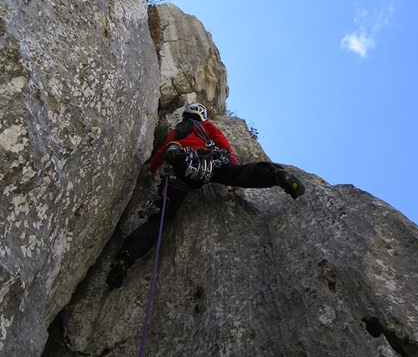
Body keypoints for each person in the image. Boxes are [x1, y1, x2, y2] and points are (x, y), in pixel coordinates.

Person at [106, 103, 305, 288]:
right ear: (201, 115)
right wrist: (233, 164)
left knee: (160, 219)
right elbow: (222, 143)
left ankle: (126, 256)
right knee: (240, 175)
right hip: (207, 163)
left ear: (185, 116)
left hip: (179, 174)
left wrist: (153, 169)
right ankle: (273, 174)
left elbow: (159, 154)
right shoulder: (206, 126)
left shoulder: (175, 132)